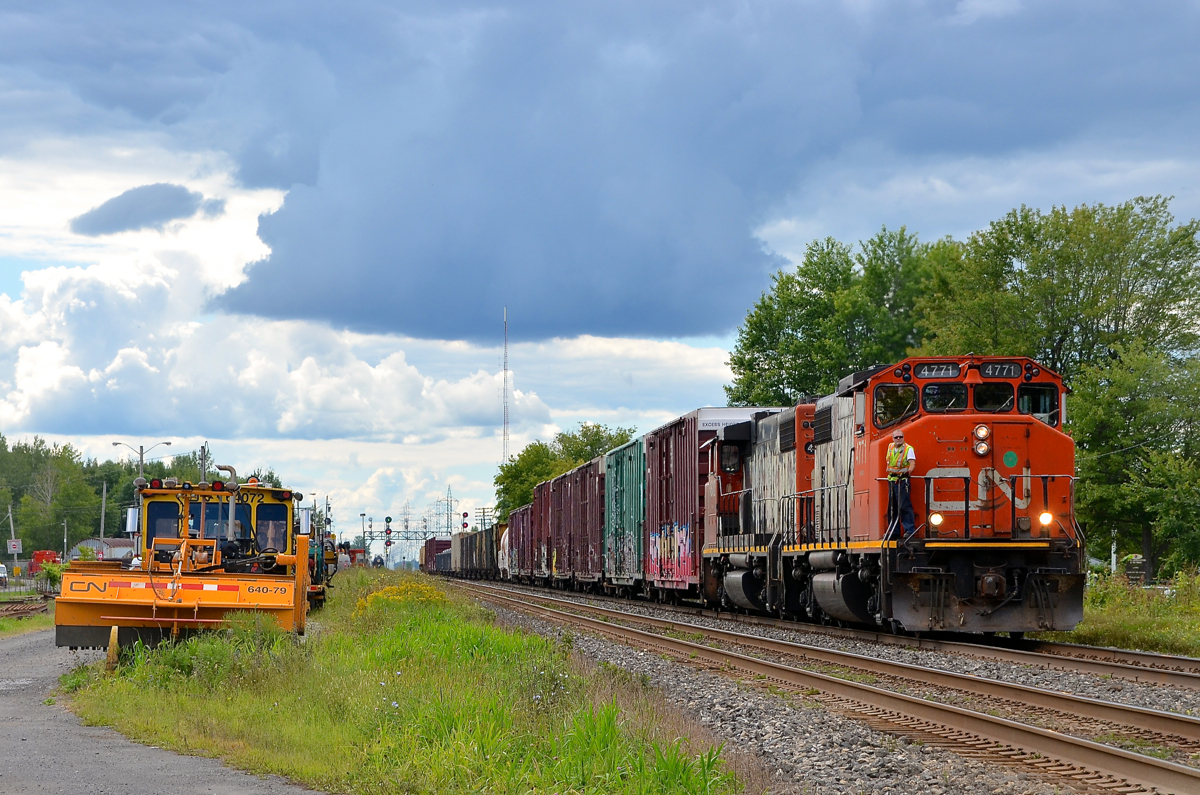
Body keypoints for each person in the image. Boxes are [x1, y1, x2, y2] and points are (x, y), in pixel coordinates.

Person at [887, 430, 917, 538]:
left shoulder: (908, 449)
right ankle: (894, 531)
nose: (898, 439)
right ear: (893, 438)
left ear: (903, 437)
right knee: (892, 507)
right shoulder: (890, 447)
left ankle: (909, 530)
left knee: (904, 505)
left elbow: (912, 463)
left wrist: (908, 472)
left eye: (900, 437)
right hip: (891, 480)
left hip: (902, 480)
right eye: (896, 437)